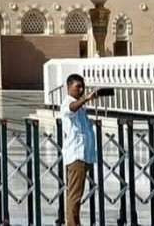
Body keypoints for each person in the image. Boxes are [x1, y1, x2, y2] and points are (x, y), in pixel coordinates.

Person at [60, 74, 98, 226]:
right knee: (74, 196)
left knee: (78, 195)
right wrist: (87, 98)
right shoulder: (68, 103)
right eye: (78, 87)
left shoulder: (80, 107)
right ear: (69, 87)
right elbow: (71, 109)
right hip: (76, 156)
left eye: (82, 87)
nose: (81, 90)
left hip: (84, 157)